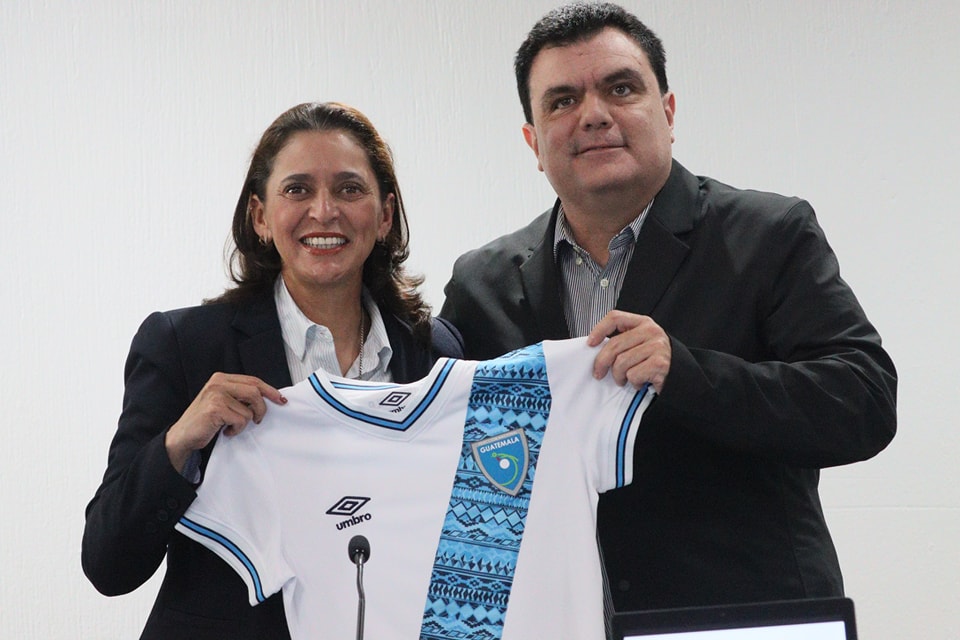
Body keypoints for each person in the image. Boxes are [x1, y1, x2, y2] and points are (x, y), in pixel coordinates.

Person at [440, 1, 897, 614]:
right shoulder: (482, 284)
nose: (593, 116)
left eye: (620, 88)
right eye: (561, 101)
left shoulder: (768, 234)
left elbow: (864, 402)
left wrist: (684, 373)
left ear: (668, 111)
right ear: (534, 141)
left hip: (741, 619)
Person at [82, 101, 463, 639]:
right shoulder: (185, 345)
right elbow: (107, 564)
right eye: (297, 189)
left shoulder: (435, 351)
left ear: (384, 216)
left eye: (350, 189)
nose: (324, 211)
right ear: (260, 216)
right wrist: (179, 444)